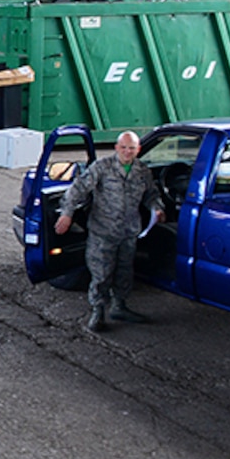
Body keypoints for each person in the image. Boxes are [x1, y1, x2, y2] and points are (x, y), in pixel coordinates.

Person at [56, 130, 163, 332]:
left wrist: (157, 208)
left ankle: (119, 306)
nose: (127, 152)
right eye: (123, 147)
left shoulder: (142, 171)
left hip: (128, 231)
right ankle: (98, 311)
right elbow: (77, 189)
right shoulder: (102, 168)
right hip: (103, 232)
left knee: (124, 271)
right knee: (101, 274)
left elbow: (151, 194)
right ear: (116, 148)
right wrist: (67, 213)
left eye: (131, 148)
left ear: (138, 150)